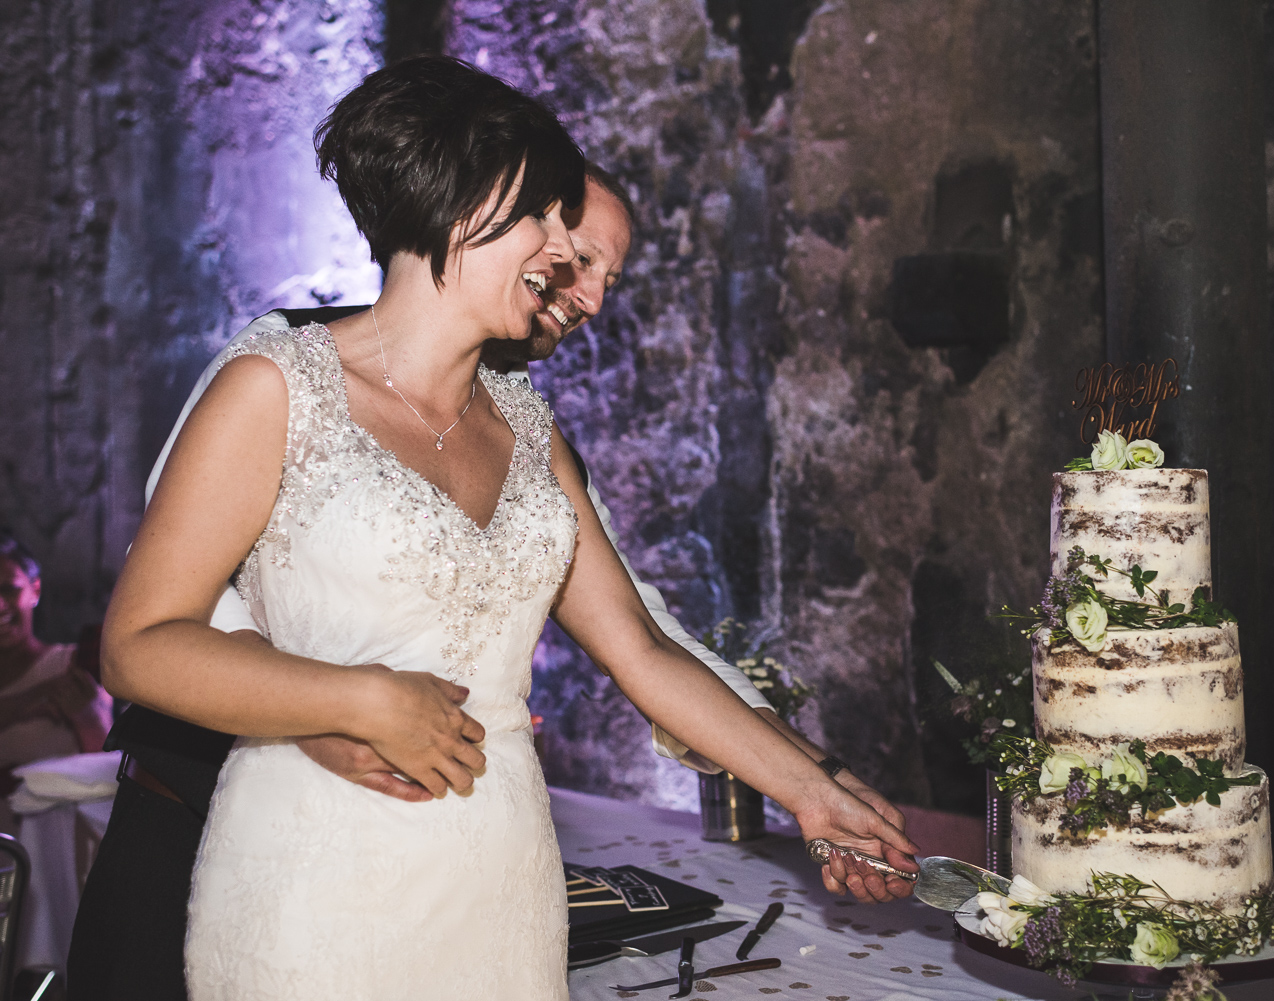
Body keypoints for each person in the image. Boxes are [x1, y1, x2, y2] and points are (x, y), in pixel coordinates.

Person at [97, 56, 915, 1000]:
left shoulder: (530, 429)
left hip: (501, 880)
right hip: (314, 875)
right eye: (547, 219)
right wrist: (354, 701)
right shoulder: (276, 387)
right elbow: (140, 643)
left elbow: (644, 647)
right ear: (460, 201)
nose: (566, 257)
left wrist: (811, 793)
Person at [0, 533, 112, 834]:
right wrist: (29, 701)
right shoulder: (52, 684)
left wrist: (88, 716)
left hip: (58, 849)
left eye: (9, 590)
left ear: (34, 590)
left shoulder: (74, 667)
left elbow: (110, 771)